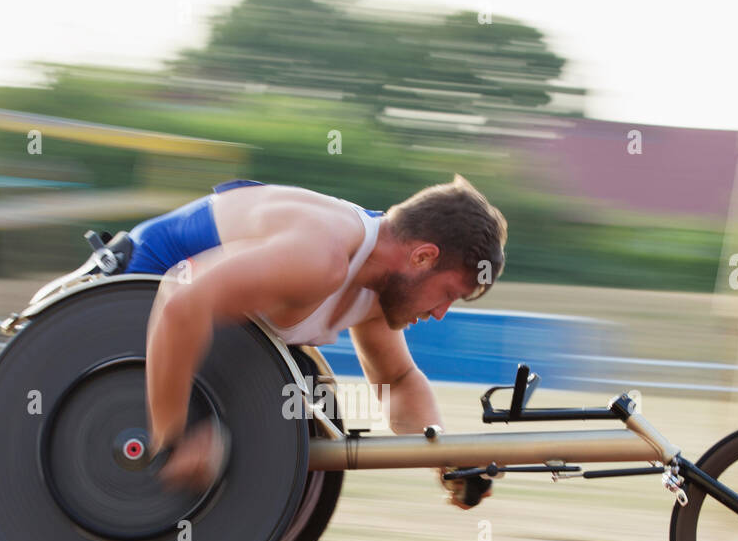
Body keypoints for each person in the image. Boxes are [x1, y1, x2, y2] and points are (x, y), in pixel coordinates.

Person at [136, 175, 507, 508]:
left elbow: (397, 381)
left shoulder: (377, 285)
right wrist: (173, 440)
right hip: (131, 291)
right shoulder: (321, 256)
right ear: (423, 257)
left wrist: (447, 458)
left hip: (186, 331)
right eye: (447, 294)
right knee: (290, 390)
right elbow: (180, 303)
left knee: (304, 389)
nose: (441, 313)